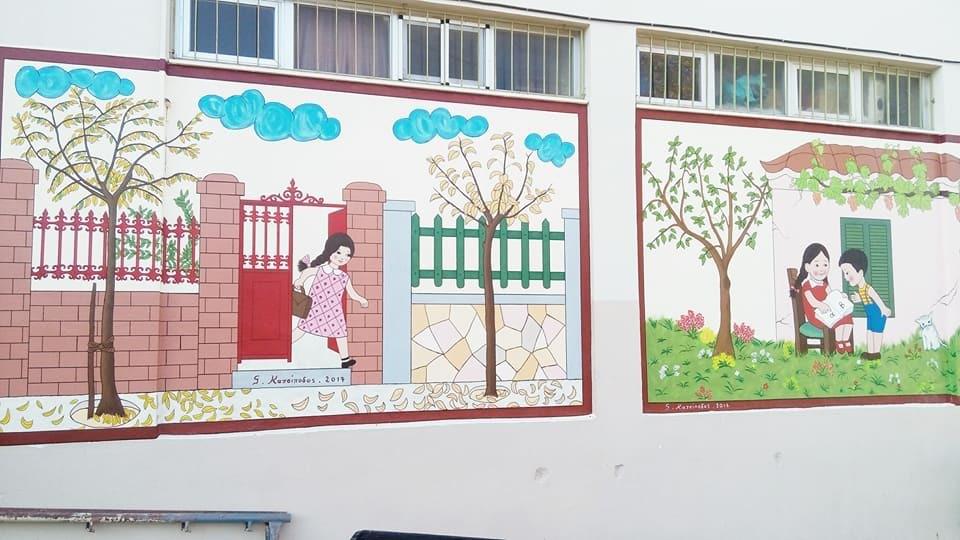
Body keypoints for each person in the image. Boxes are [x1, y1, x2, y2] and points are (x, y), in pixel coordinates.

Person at [292, 233, 368, 368]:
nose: (342, 257)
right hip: (315, 308)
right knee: (301, 329)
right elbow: (307, 272)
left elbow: (352, 293)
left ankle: (345, 359)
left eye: (347, 255)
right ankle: (285, 344)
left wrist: (361, 300)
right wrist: (300, 281)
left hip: (334, 312)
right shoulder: (320, 270)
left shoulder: (344, 277)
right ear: (330, 251)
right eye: (338, 252)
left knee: (341, 334)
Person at [790, 243, 854, 354]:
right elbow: (812, 301)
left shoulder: (825, 285)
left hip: (829, 313)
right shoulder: (807, 285)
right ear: (807, 267)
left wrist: (841, 296)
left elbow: (832, 295)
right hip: (816, 316)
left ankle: (844, 340)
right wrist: (820, 305)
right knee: (838, 321)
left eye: (825, 265)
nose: (821, 269)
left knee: (847, 317)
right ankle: (838, 341)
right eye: (817, 265)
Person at [840, 248, 891, 360]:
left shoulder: (868, 288)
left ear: (860, 272)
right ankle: (870, 352)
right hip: (871, 315)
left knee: (876, 333)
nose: (845, 277)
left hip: (878, 313)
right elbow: (866, 300)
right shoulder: (861, 289)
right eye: (844, 273)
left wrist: (884, 308)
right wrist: (859, 299)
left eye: (847, 272)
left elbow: (877, 299)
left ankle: (876, 353)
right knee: (869, 332)